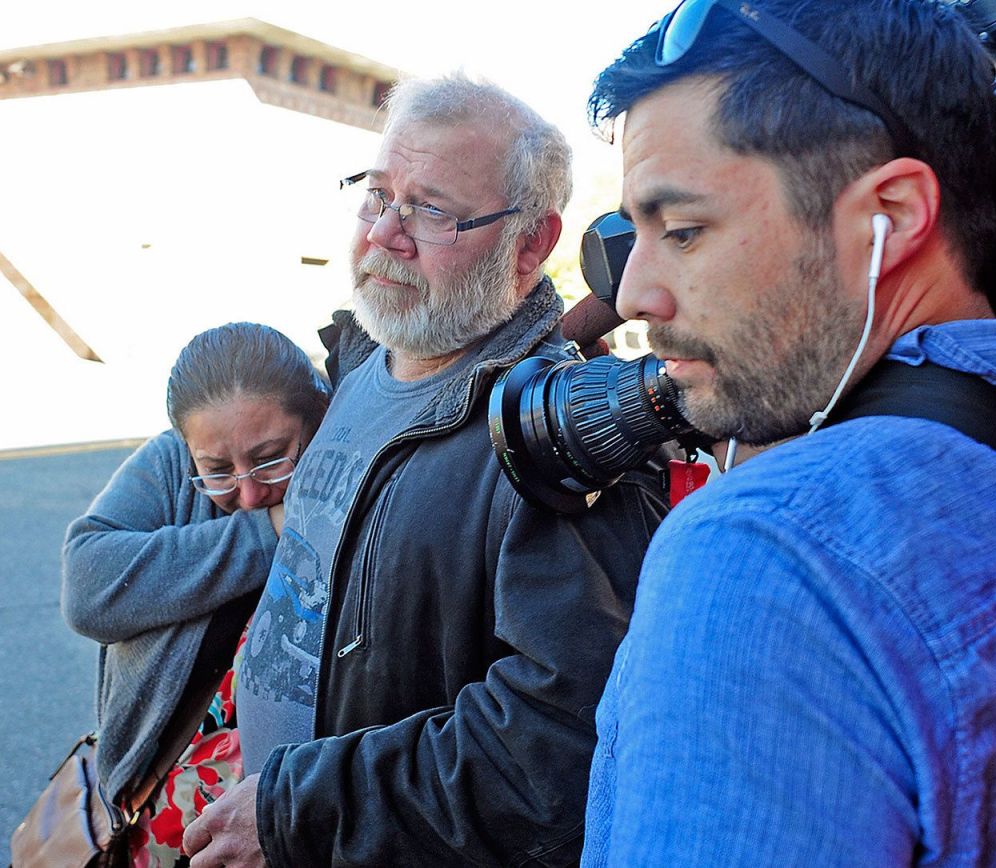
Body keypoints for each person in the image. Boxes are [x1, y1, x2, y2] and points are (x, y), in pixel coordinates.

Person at [181, 74, 668, 867]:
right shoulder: (357, 360)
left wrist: (298, 811)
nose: (384, 236)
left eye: (432, 211)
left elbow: (550, 752)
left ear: (532, 244)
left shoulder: (563, 445)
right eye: (377, 196)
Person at [581, 0, 996, 864]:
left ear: (889, 213)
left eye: (683, 230)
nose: (633, 294)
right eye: (632, 236)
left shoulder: (766, 551)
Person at [62, 321, 330, 866]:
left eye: (272, 457)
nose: (249, 493)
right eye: (217, 471)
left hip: (288, 824)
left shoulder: (345, 462)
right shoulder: (169, 464)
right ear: (189, 450)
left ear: (317, 418)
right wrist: (266, 533)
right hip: (155, 812)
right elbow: (87, 587)